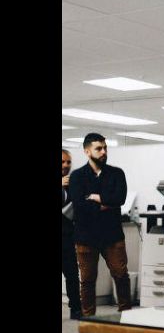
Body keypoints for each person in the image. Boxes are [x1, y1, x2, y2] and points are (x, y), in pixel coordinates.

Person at [69, 133, 132, 316]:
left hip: (112, 235)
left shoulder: (116, 173)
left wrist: (95, 197)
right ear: (87, 151)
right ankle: (88, 319)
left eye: (105, 148)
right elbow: (79, 205)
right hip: (85, 236)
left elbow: (119, 198)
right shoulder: (77, 176)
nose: (103, 152)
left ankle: (126, 315)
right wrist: (106, 204)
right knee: (87, 280)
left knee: (121, 275)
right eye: (99, 148)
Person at [62, 149, 82, 320]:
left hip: (67, 236)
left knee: (72, 274)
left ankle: (76, 308)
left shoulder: (72, 183)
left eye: (68, 162)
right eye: (62, 162)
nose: (66, 165)